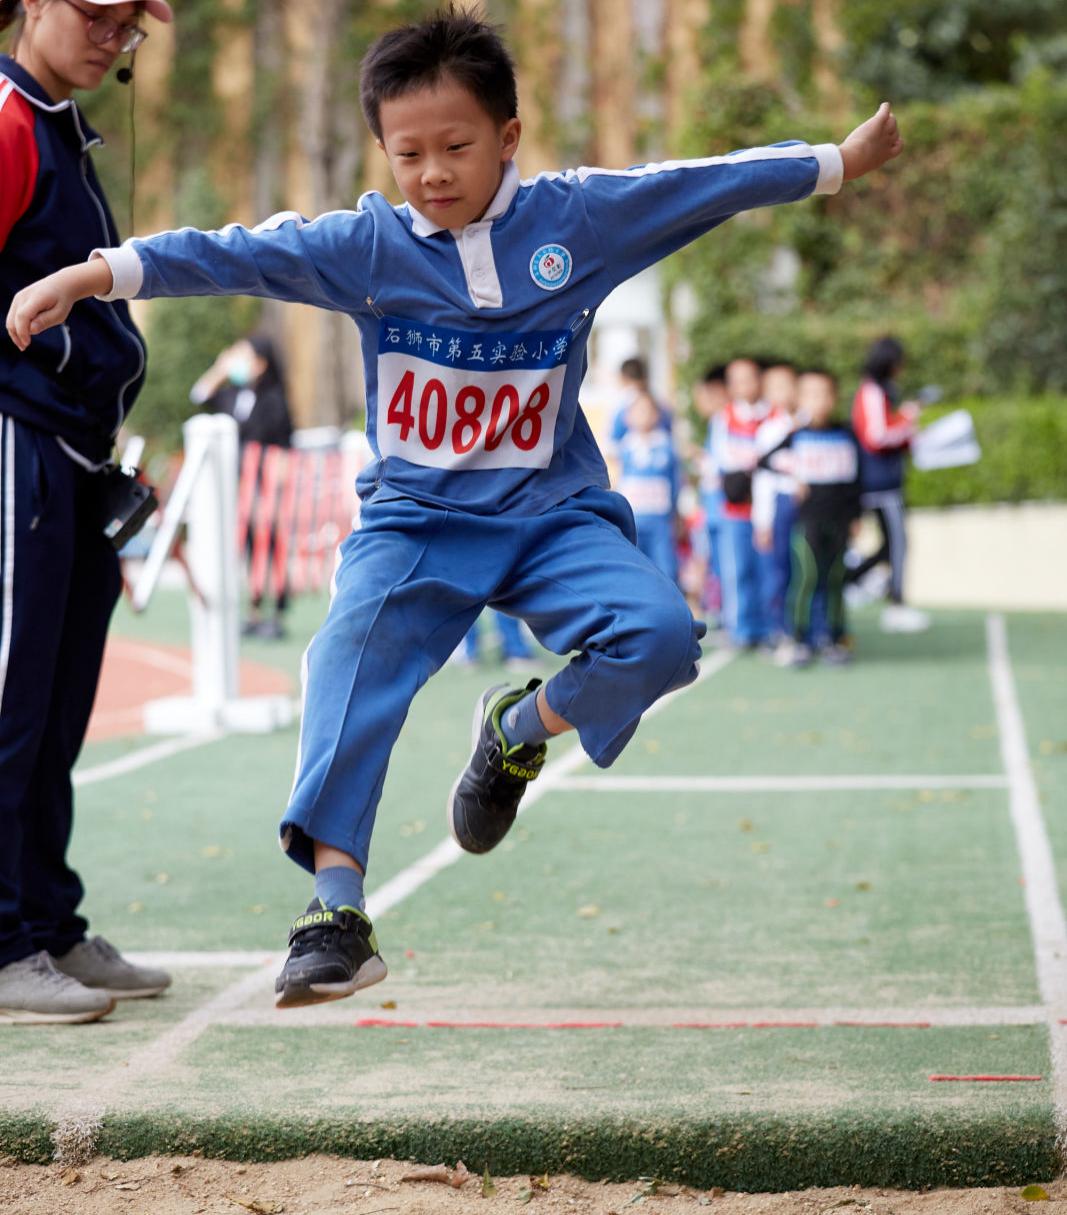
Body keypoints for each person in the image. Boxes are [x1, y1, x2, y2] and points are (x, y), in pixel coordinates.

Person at [7, 7, 904, 1009]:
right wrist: (98, 273)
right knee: (345, 661)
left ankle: (517, 728)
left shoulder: (577, 222)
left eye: (456, 148)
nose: (431, 174)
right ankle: (334, 911)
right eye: (408, 154)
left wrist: (830, 161)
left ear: (508, 137)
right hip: (416, 524)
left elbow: (697, 185)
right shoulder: (367, 246)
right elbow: (234, 253)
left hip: (552, 516)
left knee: (659, 639)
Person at [0, 0, 174, 1025]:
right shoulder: (11, 123)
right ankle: (5, 939)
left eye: (130, 25)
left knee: (60, 707)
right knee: (14, 707)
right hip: (19, 444)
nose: (114, 37)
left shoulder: (58, 126)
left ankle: (48, 923)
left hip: (73, 453)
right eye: (97, 15)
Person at [190, 333, 294, 638]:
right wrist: (221, 368)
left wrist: (275, 492)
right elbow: (198, 395)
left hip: (265, 486)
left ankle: (276, 611)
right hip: (238, 487)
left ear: (261, 364)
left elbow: (285, 445)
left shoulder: (275, 400)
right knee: (248, 546)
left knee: (270, 546)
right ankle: (253, 610)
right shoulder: (232, 395)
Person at [758, 371, 861, 666]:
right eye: (811, 394)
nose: (819, 401)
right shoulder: (797, 435)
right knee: (807, 577)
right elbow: (766, 460)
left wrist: (855, 515)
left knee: (836, 579)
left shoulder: (845, 434)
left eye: (825, 394)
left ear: (835, 398)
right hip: (808, 521)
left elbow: (856, 480)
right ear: (800, 400)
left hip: (839, 521)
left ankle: (836, 637)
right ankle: (799, 638)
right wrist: (794, 473)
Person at [848, 336, 929, 633]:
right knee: (898, 544)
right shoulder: (871, 392)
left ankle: (858, 580)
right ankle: (895, 603)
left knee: (892, 544)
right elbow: (876, 436)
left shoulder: (880, 392)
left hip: (882, 482)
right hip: (879, 484)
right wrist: (906, 422)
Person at [716, 357, 776, 648]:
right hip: (735, 509)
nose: (743, 386)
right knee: (738, 570)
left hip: (767, 510)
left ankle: (768, 627)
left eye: (749, 378)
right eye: (736, 380)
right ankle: (741, 628)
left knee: (767, 570)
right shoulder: (724, 418)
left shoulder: (773, 416)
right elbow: (721, 462)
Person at [752, 362, 799, 639]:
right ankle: (780, 630)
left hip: (808, 509)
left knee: (806, 571)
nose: (782, 392)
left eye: (787, 384)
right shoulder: (768, 431)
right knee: (778, 573)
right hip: (780, 507)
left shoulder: (809, 425)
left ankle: (812, 629)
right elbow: (763, 482)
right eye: (774, 387)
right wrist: (762, 522)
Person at [615, 391, 681, 583]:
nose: (643, 415)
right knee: (635, 567)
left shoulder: (666, 446)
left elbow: (675, 482)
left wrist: (677, 514)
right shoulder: (625, 448)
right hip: (633, 520)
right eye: (638, 411)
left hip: (660, 520)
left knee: (665, 568)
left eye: (647, 410)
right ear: (628, 417)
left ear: (657, 415)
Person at [694, 363, 728, 625]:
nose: (698, 404)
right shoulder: (716, 424)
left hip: (723, 505)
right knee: (716, 561)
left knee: (726, 562)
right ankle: (723, 610)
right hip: (712, 507)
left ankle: (729, 613)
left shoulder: (725, 421)